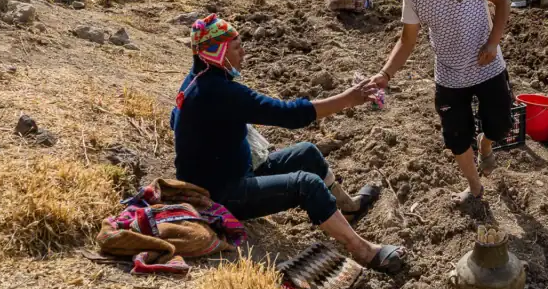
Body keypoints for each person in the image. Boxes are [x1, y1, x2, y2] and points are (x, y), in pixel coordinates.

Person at [171, 14, 406, 274]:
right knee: (307, 184)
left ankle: (348, 208)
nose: (243, 53)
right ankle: (363, 250)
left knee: (307, 152)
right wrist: (348, 99)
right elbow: (288, 115)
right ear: (216, 52)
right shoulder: (217, 92)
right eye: (236, 48)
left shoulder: (198, 80)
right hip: (222, 193)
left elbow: (177, 121)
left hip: (234, 172)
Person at [370, 0, 513, 208]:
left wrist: (493, 43)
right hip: (449, 74)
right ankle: (474, 188)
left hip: (488, 66)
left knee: (501, 125)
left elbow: (502, 1)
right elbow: (407, 40)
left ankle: (485, 145)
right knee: (456, 137)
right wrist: (385, 74)